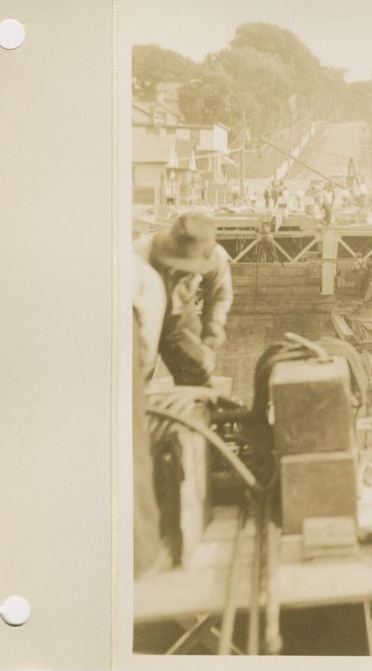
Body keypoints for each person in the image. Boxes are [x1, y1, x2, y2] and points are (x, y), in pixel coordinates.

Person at [134, 212, 233, 387]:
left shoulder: (216, 257)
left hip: (179, 314)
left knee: (197, 371)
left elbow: (220, 295)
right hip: (139, 314)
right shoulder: (138, 255)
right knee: (135, 375)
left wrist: (213, 326)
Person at [133, 254, 167, 577]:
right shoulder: (151, 284)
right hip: (122, 313)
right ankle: (142, 558)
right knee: (132, 445)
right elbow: (146, 352)